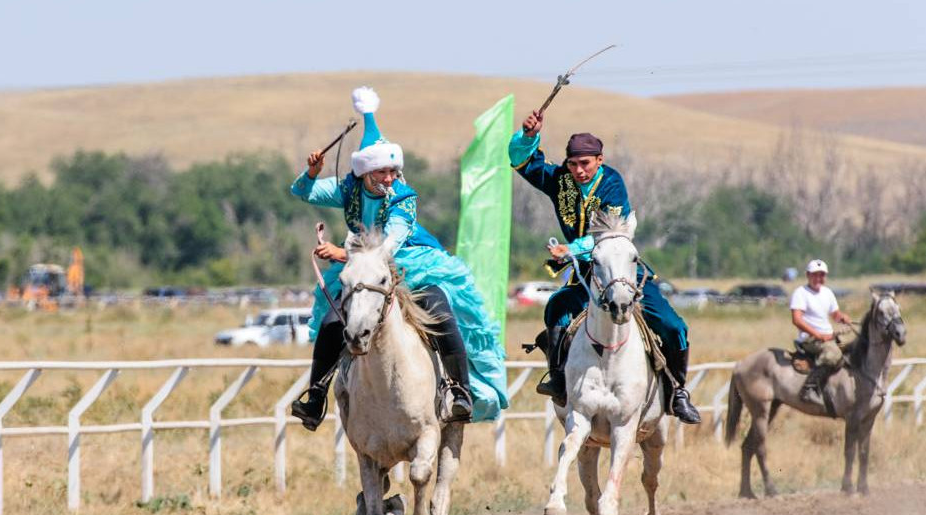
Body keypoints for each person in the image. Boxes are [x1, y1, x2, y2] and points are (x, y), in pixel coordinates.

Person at [288, 86, 508, 429]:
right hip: (362, 266)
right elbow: (300, 192)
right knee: (333, 324)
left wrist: (342, 254)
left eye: (393, 171)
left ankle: (460, 392)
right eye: (381, 173)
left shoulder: (404, 196)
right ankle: (316, 397)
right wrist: (312, 172)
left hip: (412, 262)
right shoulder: (347, 190)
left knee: (439, 311)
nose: (389, 179)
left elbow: (389, 246)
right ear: (364, 173)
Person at [508, 109, 701, 424]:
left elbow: (606, 234)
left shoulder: (612, 182)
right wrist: (527, 136)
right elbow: (522, 162)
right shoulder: (561, 181)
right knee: (556, 308)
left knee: (673, 325)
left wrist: (569, 249)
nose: (579, 170)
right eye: (573, 164)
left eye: (585, 163)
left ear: (599, 159)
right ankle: (558, 378)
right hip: (587, 274)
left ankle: (678, 391)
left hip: (621, 268)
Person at [789, 259, 852, 407]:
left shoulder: (828, 293)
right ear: (808, 275)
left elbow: (835, 315)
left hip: (829, 338)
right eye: (815, 275)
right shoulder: (800, 293)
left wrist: (842, 317)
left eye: (821, 275)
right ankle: (809, 389)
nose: (818, 279)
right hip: (810, 340)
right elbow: (797, 320)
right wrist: (818, 335)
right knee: (834, 355)